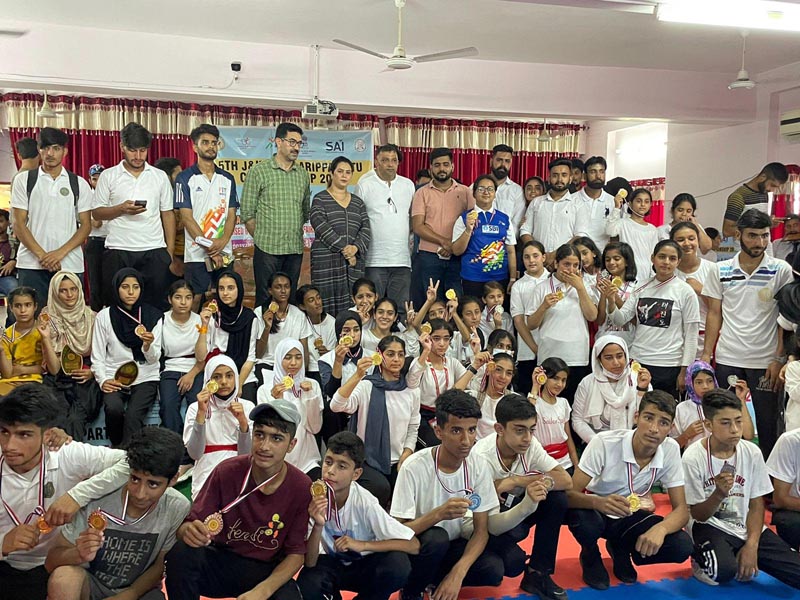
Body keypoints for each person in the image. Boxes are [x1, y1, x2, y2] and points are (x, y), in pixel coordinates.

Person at [164, 401, 309, 600]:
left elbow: (296, 554)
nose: (264, 446)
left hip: (264, 571)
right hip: (220, 560)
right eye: (259, 435)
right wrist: (187, 531)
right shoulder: (227, 471)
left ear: (291, 445)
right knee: (181, 553)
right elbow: (190, 524)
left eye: (276, 438)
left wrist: (263, 590)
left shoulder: (301, 486)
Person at [0, 384, 129, 600]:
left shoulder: (65, 454)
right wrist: (3, 542)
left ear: (47, 434)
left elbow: (131, 462)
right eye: (4, 432)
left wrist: (76, 496)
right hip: (4, 565)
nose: (10, 445)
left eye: (24, 435)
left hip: (55, 562)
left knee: (65, 578)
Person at [567, 390, 693, 591]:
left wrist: (660, 529)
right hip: (593, 509)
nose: (654, 429)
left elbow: (681, 510)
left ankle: (620, 548)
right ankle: (590, 554)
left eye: (663, 422)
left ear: (671, 428)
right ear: (636, 417)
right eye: (648, 418)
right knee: (583, 520)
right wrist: (598, 502)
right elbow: (568, 495)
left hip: (628, 514)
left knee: (681, 546)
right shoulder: (604, 443)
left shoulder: (670, 450)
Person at [44, 427, 191, 600]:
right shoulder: (96, 499)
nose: (140, 493)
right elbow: (50, 563)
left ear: (173, 479)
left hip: (138, 590)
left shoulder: (177, 507)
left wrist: (129, 595)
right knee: (63, 579)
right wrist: (78, 553)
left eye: (153, 484)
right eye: (135, 479)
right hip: (91, 586)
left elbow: (159, 567)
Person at [389, 390, 504, 599]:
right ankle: (412, 591)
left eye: (471, 430)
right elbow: (397, 532)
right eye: (456, 431)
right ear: (438, 431)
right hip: (420, 547)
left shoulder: (478, 465)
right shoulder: (413, 467)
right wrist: (438, 514)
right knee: (436, 538)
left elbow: (480, 531)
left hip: (454, 545)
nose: (467, 440)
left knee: (495, 569)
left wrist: (457, 574)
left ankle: (438, 581)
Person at [683, 389, 800, 588]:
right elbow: (698, 515)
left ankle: (738, 552)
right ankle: (700, 559)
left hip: (745, 526)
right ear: (709, 425)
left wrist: (752, 546)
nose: (735, 429)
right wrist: (718, 494)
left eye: (738, 421)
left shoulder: (752, 452)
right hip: (710, 526)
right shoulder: (693, 458)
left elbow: (756, 505)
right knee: (724, 572)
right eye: (726, 423)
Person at [702, 209, 794, 458]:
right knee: (726, 423)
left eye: (765, 236)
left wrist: (779, 358)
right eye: (752, 236)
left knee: (768, 425)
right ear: (738, 234)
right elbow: (714, 314)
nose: (760, 243)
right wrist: (705, 356)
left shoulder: (780, 269)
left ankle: (769, 487)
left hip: (765, 361)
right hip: (727, 358)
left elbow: (785, 319)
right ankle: (728, 477)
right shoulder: (719, 270)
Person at [472, 394, 572, 599]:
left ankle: (538, 573)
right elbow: (479, 520)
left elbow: (565, 480)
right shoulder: (481, 457)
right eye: (520, 430)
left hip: (518, 507)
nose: (527, 437)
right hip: (488, 522)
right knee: (511, 562)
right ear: (499, 429)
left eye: (531, 429)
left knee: (557, 499)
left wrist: (516, 481)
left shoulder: (530, 444)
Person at [299, 431, 418, 600]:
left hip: (363, 566)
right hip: (331, 565)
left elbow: (413, 545)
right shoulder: (312, 498)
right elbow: (310, 563)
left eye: (342, 466)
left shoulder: (365, 502)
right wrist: (318, 525)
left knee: (397, 565)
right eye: (328, 462)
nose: (330, 471)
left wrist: (363, 545)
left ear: (356, 474)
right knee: (308, 582)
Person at [92, 123, 176, 310]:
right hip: (118, 249)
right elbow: (97, 212)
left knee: (155, 307)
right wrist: (121, 209)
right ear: (122, 147)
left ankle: (152, 340)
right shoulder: (108, 176)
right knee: (117, 307)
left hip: (154, 249)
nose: (138, 156)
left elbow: (168, 214)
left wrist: (168, 252)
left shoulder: (159, 176)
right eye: (132, 150)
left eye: (143, 150)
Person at [331, 334, 419, 506]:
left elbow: (413, 426)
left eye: (401, 354)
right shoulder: (367, 386)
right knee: (381, 487)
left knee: (412, 488)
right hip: (367, 458)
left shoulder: (411, 390)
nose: (396, 359)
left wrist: (407, 453)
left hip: (398, 459)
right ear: (380, 356)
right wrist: (357, 375)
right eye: (391, 354)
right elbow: (336, 405)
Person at [607, 240, 701, 397]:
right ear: (653, 258)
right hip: (638, 361)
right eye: (662, 257)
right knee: (636, 410)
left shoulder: (686, 292)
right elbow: (620, 319)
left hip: (669, 365)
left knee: (663, 413)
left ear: (678, 261)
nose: (666, 262)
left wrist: (685, 371)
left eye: (672, 258)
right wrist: (611, 299)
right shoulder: (641, 286)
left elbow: (691, 335)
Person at [10, 127, 92, 303]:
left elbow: (86, 226)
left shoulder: (79, 183)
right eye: (45, 148)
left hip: (69, 263)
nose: (50, 153)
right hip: (31, 264)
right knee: (31, 319)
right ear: (39, 150)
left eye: (56, 148)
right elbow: (18, 223)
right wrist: (42, 256)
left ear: (65, 151)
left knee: (69, 320)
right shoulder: (24, 180)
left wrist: (59, 254)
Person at [90, 268, 163, 448]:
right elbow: (97, 356)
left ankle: (127, 458)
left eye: (135, 287)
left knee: (133, 415)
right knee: (113, 408)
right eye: (125, 287)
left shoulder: (153, 316)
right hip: (114, 374)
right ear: (116, 288)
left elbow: (154, 359)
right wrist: (103, 380)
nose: (131, 292)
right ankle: (117, 449)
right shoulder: (104, 316)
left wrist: (147, 345)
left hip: (146, 374)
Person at [240, 122, 310, 306]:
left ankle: (288, 336)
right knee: (265, 299)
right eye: (292, 142)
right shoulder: (259, 171)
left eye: (299, 143)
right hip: (267, 249)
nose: (296, 147)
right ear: (278, 141)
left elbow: (305, 211)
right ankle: (264, 335)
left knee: (290, 299)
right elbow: (247, 212)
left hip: (294, 248)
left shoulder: (302, 174)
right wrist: (264, 236)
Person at [175, 124, 239, 309]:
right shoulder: (184, 178)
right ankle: (193, 338)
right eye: (205, 142)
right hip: (196, 253)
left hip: (224, 253)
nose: (211, 146)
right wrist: (212, 247)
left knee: (226, 299)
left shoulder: (227, 178)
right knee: (194, 300)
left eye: (214, 142)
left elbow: (231, 215)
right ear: (195, 147)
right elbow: (186, 218)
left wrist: (222, 242)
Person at [527, 244, 599, 402]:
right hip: (550, 354)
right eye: (567, 264)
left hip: (577, 355)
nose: (571, 269)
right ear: (556, 264)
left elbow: (592, 316)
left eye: (575, 265)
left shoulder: (584, 286)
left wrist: (580, 288)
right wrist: (544, 306)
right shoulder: (542, 287)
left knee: (575, 403)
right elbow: (531, 324)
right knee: (546, 402)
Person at [410, 147, 475, 308]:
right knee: (432, 303)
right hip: (429, 257)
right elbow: (418, 226)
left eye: (446, 164)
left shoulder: (466, 192)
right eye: (437, 165)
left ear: (452, 167)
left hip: (458, 257)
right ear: (431, 168)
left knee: (455, 302)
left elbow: (473, 222)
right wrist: (444, 242)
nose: (442, 169)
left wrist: (452, 246)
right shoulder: (422, 193)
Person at [39, 271, 100, 441]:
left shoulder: (92, 317)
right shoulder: (47, 318)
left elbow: (102, 356)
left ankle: (75, 464)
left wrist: (93, 372)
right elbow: (53, 368)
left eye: (73, 289)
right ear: (54, 293)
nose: (69, 295)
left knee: (75, 419)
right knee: (58, 420)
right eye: (63, 290)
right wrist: (45, 337)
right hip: (57, 379)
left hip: (85, 378)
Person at [355, 143, 415, 314]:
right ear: (377, 162)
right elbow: (358, 219)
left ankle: (399, 340)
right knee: (374, 308)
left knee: (401, 310)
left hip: (402, 260)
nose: (390, 164)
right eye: (385, 160)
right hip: (375, 260)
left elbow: (412, 218)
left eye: (394, 160)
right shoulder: (365, 184)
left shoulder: (408, 185)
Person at [184, 354, 254, 499]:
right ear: (208, 380)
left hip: (239, 468)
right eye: (216, 377)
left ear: (236, 378)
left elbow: (246, 455)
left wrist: (242, 422)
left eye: (229, 376)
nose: (223, 382)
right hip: (206, 470)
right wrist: (201, 413)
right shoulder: (194, 408)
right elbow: (195, 453)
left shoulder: (247, 407)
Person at [310, 156, 371, 317]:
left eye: (348, 172)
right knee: (325, 303)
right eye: (340, 171)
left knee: (353, 304)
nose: (344, 176)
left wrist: (355, 249)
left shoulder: (358, 202)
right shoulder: (320, 199)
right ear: (331, 173)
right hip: (327, 262)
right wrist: (345, 250)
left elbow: (366, 229)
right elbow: (321, 226)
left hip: (353, 263)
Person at [406, 320, 482, 449]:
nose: (442, 344)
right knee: (438, 446)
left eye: (446, 339)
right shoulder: (419, 362)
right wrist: (425, 351)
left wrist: (476, 355)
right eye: (436, 338)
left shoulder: (452, 363)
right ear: (427, 338)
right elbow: (411, 382)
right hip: (423, 416)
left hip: (448, 415)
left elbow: (475, 386)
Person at [258, 339, 323, 478]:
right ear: (279, 358)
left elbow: (315, 428)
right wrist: (278, 401)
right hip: (276, 460)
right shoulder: (265, 390)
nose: (293, 363)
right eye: (288, 357)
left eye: (298, 357)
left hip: (307, 461)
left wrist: (310, 396)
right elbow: (273, 428)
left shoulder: (312, 385)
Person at [571, 336, 651, 444]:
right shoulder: (587, 383)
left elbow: (648, 415)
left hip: (633, 441)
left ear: (626, 355)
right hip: (597, 440)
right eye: (609, 358)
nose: (616, 363)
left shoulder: (638, 379)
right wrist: (597, 443)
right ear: (599, 360)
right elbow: (577, 420)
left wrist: (642, 389)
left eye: (620, 356)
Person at [195, 271, 260, 400]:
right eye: (221, 288)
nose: (225, 293)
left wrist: (239, 384)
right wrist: (204, 326)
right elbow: (201, 356)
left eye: (230, 288)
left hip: (242, 373)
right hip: (217, 372)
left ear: (239, 289)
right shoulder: (212, 316)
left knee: (246, 400)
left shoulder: (249, 318)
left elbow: (250, 358)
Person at [451, 175, 517, 299]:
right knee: (473, 314)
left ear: (495, 194)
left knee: (497, 314)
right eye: (481, 189)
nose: (486, 192)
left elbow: (511, 251)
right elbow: (456, 251)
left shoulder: (504, 219)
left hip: (499, 278)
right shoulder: (464, 218)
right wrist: (468, 230)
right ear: (474, 193)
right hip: (472, 277)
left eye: (490, 189)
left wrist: (513, 278)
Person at [672, 360, 753, 449]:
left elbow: (748, 435)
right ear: (690, 383)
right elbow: (673, 446)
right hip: (695, 460)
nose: (705, 386)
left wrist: (741, 400)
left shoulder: (725, 404)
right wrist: (686, 435)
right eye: (699, 382)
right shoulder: (682, 408)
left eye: (710, 381)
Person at [159, 280, 203, 436]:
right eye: (178, 297)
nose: (183, 302)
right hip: (170, 368)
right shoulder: (162, 320)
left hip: (196, 368)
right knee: (167, 406)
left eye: (188, 297)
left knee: (197, 405)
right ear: (170, 299)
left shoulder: (200, 321)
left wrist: (191, 375)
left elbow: (203, 357)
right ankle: (176, 447)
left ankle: (193, 447)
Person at [253, 271, 313, 383]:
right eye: (278, 287)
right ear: (270, 290)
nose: (283, 291)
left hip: (292, 366)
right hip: (268, 364)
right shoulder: (259, 312)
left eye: (287, 287)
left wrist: (303, 373)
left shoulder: (298, 314)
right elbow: (259, 354)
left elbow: (303, 348)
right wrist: (267, 327)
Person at [519, 159, 582, 265]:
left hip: (565, 262)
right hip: (537, 263)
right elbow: (525, 231)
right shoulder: (536, 202)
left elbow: (579, 235)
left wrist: (554, 255)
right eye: (555, 175)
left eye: (564, 175)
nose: (559, 179)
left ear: (570, 178)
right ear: (549, 178)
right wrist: (538, 254)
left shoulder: (578, 204)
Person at [0, 287, 59, 395]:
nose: (23, 310)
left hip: (41, 382)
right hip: (11, 383)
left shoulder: (45, 329)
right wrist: (1, 351)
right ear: (11, 308)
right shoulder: (7, 336)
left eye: (27, 305)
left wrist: (45, 338)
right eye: (18, 306)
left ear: (35, 306)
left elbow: (54, 369)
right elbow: (7, 374)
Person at [671, 221, 716, 360]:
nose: (686, 243)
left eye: (691, 238)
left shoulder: (712, 269)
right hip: (672, 342)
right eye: (680, 240)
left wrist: (702, 290)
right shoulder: (667, 271)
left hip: (704, 341)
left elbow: (721, 310)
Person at [528, 358, 579, 471]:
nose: (559, 384)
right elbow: (527, 417)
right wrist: (535, 386)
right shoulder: (534, 401)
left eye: (563, 380)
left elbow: (568, 437)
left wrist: (576, 465)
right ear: (544, 377)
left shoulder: (563, 403)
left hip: (566, 463)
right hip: (541, 464)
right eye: (555, 378)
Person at [511, 241, 548, 394]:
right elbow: (519, 321)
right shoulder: (518, 286)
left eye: (535, 256)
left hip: (552, 348)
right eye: (527, 257)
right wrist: (535, 348)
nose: (531, 260)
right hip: (528, 351)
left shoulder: (553, 280)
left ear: (544, 257)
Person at [605, 187, 660, 281]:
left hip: (647, 272)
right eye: (639, 201)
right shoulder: (623, 223)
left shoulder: (652, 229)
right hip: (627, 270)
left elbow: (654, 253)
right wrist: (617, 208)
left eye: (646, 201)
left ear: (650, 204)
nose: (643, 204)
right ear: (630, 203)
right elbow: (609, 231)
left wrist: (653, 273)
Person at [722, 162, 788, 238]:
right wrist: (760, 225)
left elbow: (758, 224)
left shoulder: (764, 193)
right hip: (746, 249)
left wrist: (768, 223)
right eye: (772, 185)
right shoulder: (738, 197)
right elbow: (727, 231)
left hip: (766, 248)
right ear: (763, 177)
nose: (772, 190)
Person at [595, 241, 638, 345]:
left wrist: (614, 296)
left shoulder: (637, 287)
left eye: (616, 259)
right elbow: (600, 321)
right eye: (607, 259)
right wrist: (603, 294)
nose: (611, 262)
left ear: (627, 261)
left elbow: (636, 321)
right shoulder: (600, 285)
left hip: (628, 343)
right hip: (604, 341)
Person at [571, 156, 616, 251]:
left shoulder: (612, 202)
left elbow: (615, 235)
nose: (598, 176)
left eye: (601, 171)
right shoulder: (571, 200)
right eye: (593, 172)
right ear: (584, 176)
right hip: (576, 255)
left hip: (603, 257)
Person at [766, 428, 800, 551]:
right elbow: (780, 498)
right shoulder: (790, 441)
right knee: (788, 522)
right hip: (794, 510)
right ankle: (793, 557)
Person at [295, 284, 336, 385]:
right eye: (311, 300)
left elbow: (334, 352)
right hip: (308, 370)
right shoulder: (300, 322)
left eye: (318, 298)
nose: (318, 303)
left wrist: (328, 353)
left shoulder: (331, 322)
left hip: (328, 367)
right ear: (302, 306)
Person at [472, 352, 515, 439]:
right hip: (476, 449)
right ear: (488, 370)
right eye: (498, 370)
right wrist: (475, 366)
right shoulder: (474, 397)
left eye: (508, 373)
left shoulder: (514, 400)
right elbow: (451, 398)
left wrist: (535, 388)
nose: (503, 376)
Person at [489, 144, 526, 233]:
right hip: (479, 243)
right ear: (491, 161)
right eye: (499, 160)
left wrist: (500, 239)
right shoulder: (477, 187)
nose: (503, 165)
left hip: (506, 243)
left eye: (507, 161)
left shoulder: (517, 191)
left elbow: (516, 223)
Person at [85, 164, 107, 312]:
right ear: (90, 180)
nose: (97, 182)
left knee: (112, 282)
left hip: (113, 243)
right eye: (94, 179)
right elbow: (96, 223)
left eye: (101, 178)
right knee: (95, 284)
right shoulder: (87, 197)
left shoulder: (113, 195)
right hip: (94, 242)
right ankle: (95, 316)